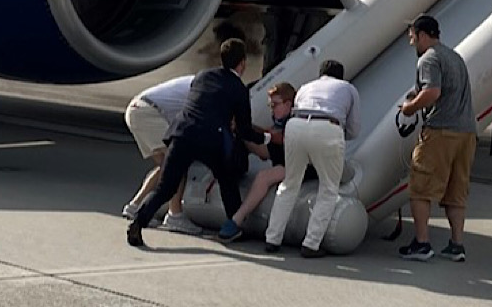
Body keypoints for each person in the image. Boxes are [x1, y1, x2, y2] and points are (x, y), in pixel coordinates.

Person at [126, 39, 270, 248]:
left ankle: (139, 222)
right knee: (227, 178)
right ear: (242, 63)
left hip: (182, 133)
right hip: (211, 139)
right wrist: (264, 139)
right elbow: (244, 129)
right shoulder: (238, 88)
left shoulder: (202, 76)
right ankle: (233, 225)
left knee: (166, 187)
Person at [262, 60, 361, 258]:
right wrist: (339, 138)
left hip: (295, 125)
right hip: (327, 127)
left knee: (290, 183)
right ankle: (311, 244)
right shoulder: (348, 88)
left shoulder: (306, 87)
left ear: (321, 74)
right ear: (340, 76)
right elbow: (354, 128)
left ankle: (272, 238)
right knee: (328, 189)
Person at [398, 14, 475, 262]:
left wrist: (409, 108)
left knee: (420, 187)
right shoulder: (455, 57)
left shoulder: (429, 58)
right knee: (456, 191)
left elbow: (432, 92)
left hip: (441, 131)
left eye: (412, 38)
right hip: (466, 133)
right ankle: (456, 245)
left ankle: (422, 243)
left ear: (422, 35)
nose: (412, 44)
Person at [215, 81, 295, 243]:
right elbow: (269, 143)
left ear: (288, 104)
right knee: (245, 139)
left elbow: (280, 138)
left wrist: (251, 129)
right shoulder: (281, 122)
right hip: (283, 157)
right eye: (270, 105)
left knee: (263, 177)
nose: (272, 109)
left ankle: (236, 220)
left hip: (297, 164)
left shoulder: (294, 121)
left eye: (275, 105)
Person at [121, 74, 202, 234]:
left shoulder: (195, 81)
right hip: (148, 113)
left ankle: (134, 206)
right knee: (176, 164)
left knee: (165, 166)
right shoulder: (203, 89)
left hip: (137, 109)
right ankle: (175, 215)